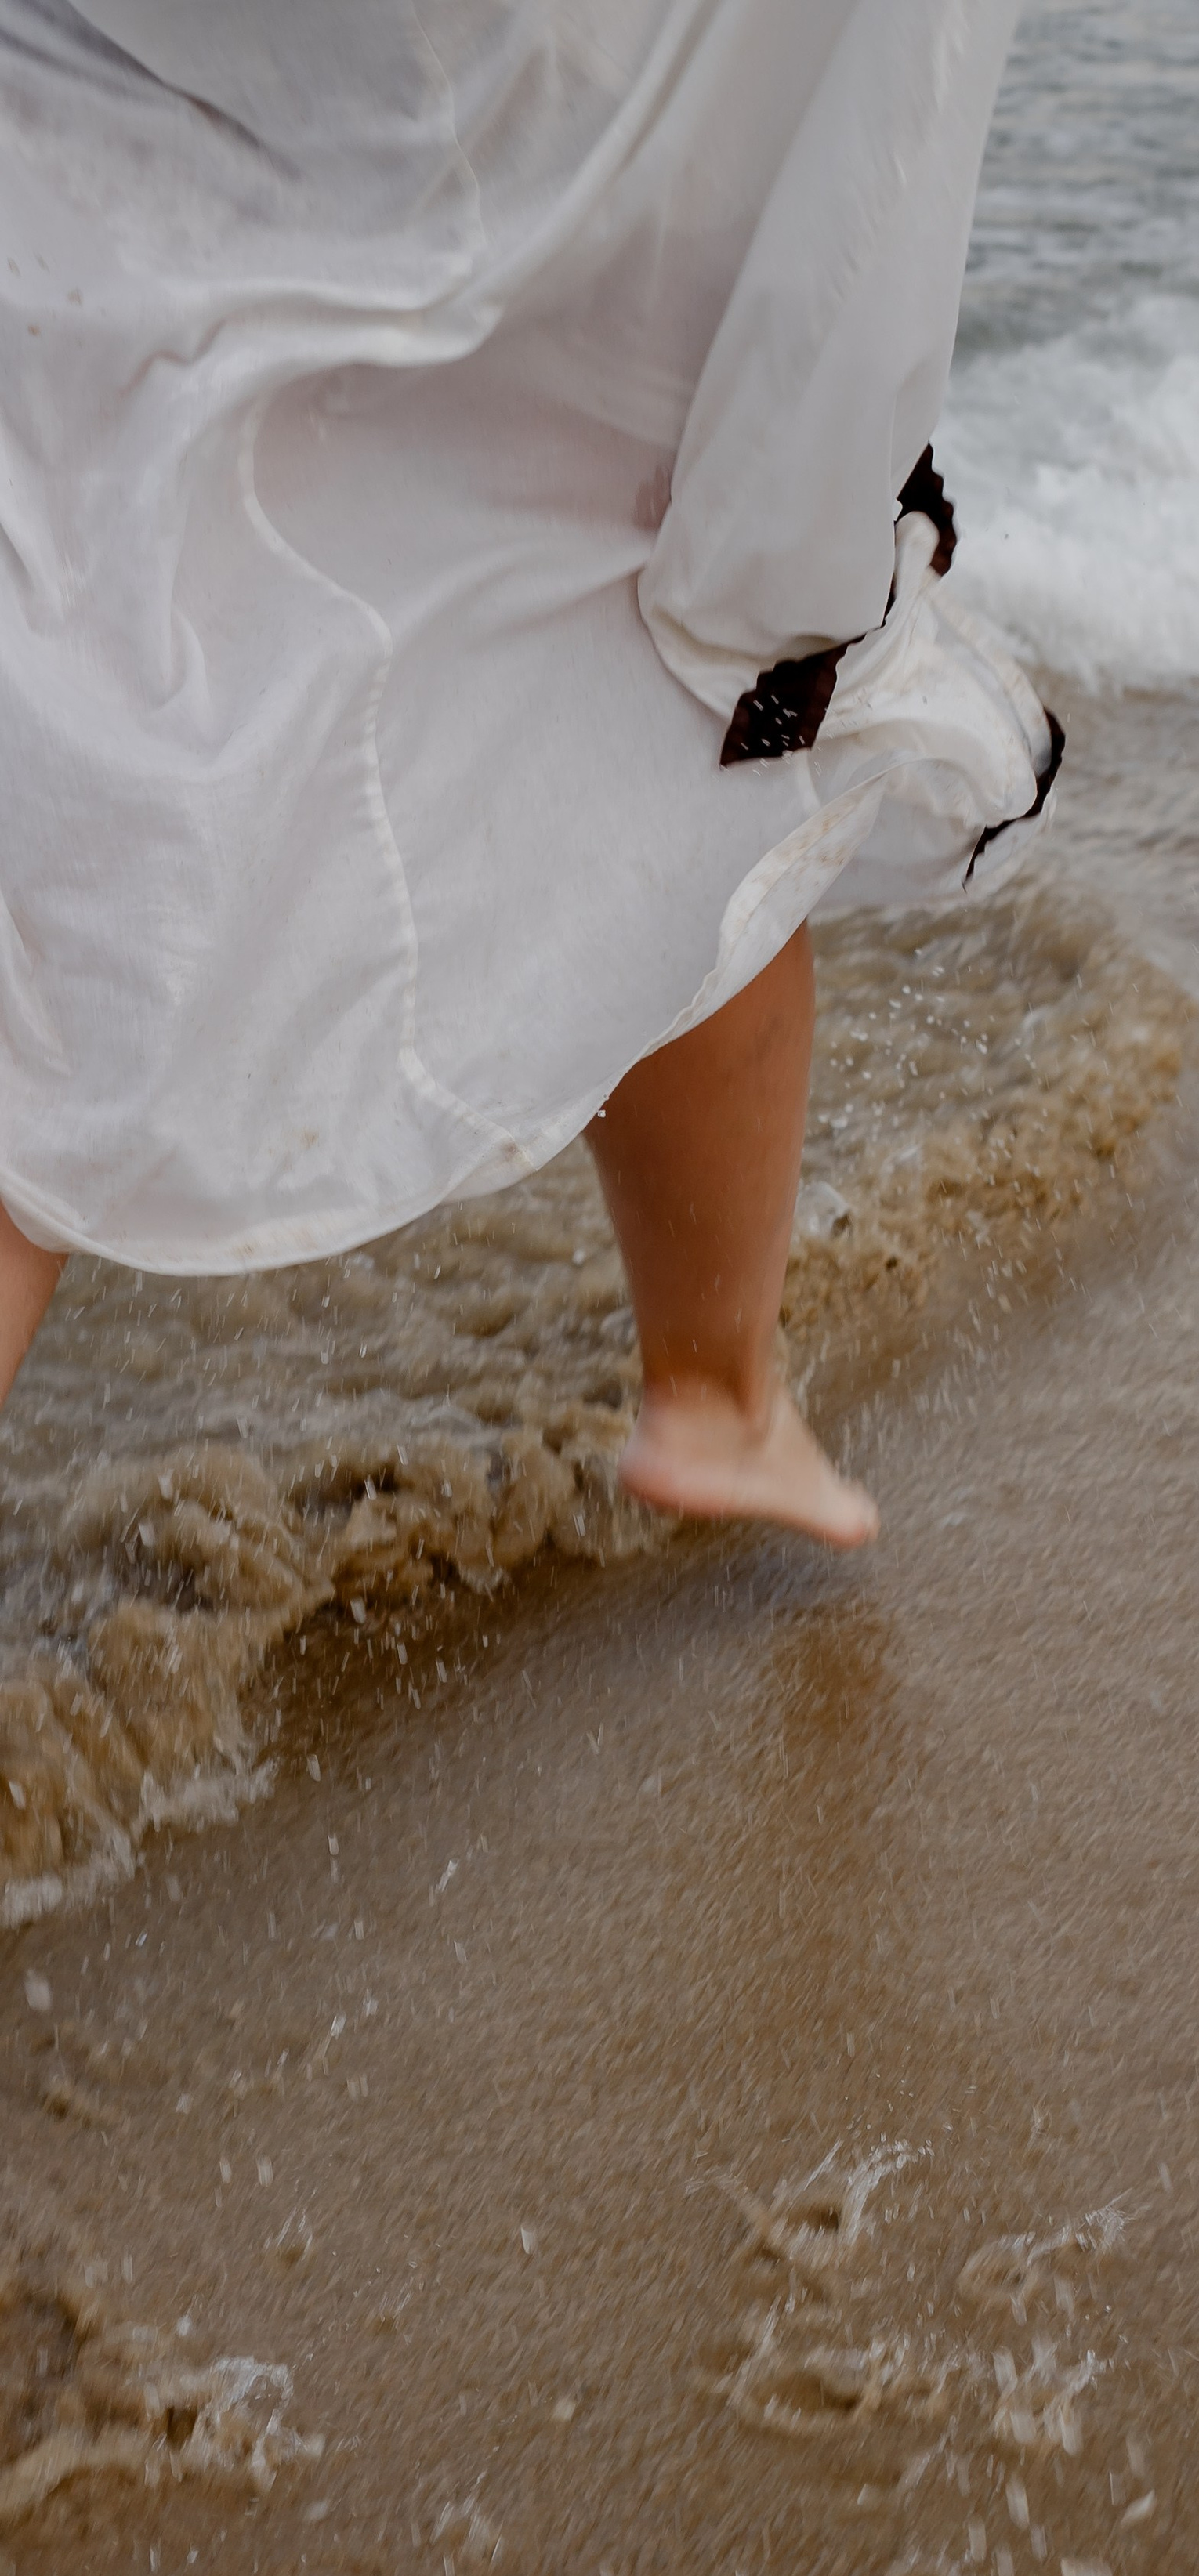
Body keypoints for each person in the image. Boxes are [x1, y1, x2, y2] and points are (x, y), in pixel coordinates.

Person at [0, 0, 1059, 1547]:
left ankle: (725, 1396)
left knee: (56, 777)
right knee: (655, 690)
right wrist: (809, 554)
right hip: (545, 116)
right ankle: (716, 1395)